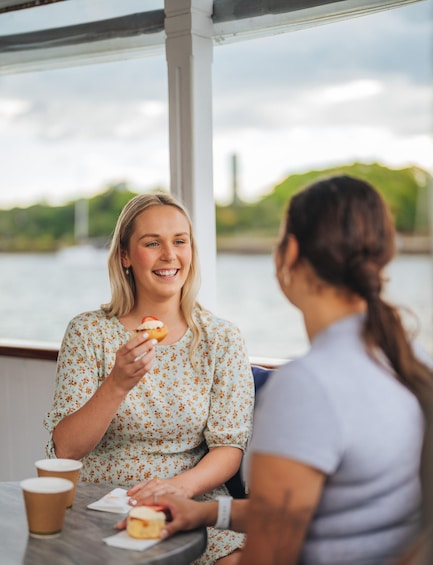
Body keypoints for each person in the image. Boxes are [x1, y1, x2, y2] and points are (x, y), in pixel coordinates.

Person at [126, 176, 433, 565]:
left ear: (289, 253)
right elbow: (327, 512)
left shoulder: (306, 388)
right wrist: (206, 512)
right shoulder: (413, 361)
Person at [44, 192, 255, 564]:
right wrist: (117, 384)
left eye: (179, 241)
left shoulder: (221, 338)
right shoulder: (88, 333)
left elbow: (228, 449)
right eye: (152, 243)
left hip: (189, 501)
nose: (169, 255)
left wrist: (177, 488)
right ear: (125, 256)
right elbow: (67, 449)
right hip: (100, 503)